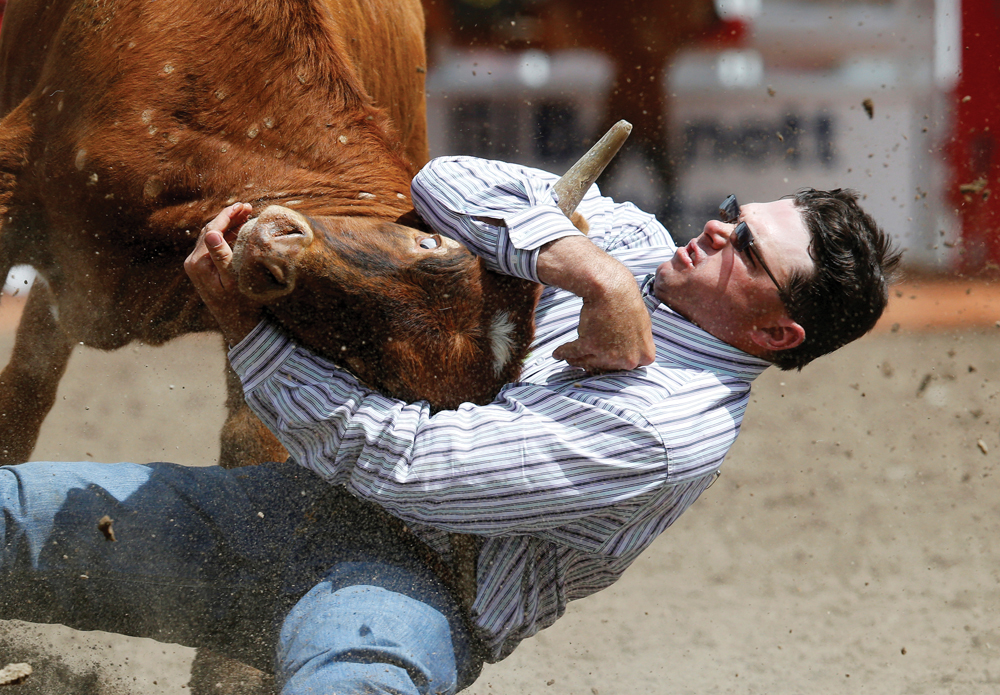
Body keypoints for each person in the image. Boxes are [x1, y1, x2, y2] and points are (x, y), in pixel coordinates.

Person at [0, 156, 900, 694]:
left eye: (748, 248)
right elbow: (445, 179)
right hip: (292, 504)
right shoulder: (634, 248)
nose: (717, 228)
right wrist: (598, 276)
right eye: (738, 212)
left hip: (409, 587)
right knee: (12, 514)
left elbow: (405, 467)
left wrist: (244, 326)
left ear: (777, 332)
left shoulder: (667, 426)